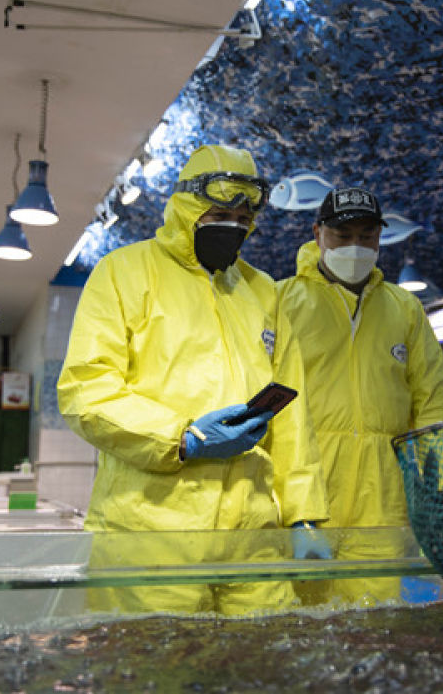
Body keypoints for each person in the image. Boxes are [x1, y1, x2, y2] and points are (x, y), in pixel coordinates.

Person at [57, 145, 329, 617]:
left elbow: (291, 417)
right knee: (156, 659)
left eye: (243, 219)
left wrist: (303, 514)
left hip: (252, 536)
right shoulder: (124, 272)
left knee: (265, 655)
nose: (233, 227)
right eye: (219, 214)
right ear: (185, 205)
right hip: (150, 534)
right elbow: (86, 390)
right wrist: (181, 438)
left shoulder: (263, 292)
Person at [276, 187, 443, 606]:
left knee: (375, 619)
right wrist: (281, 500)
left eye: (367, 236)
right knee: (300, 621)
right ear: (318, 233)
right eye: (343, 236)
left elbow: (433, 402)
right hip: (306, 494)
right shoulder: (280, 301)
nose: (355, 247)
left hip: (382, 496)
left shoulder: (404, 308)